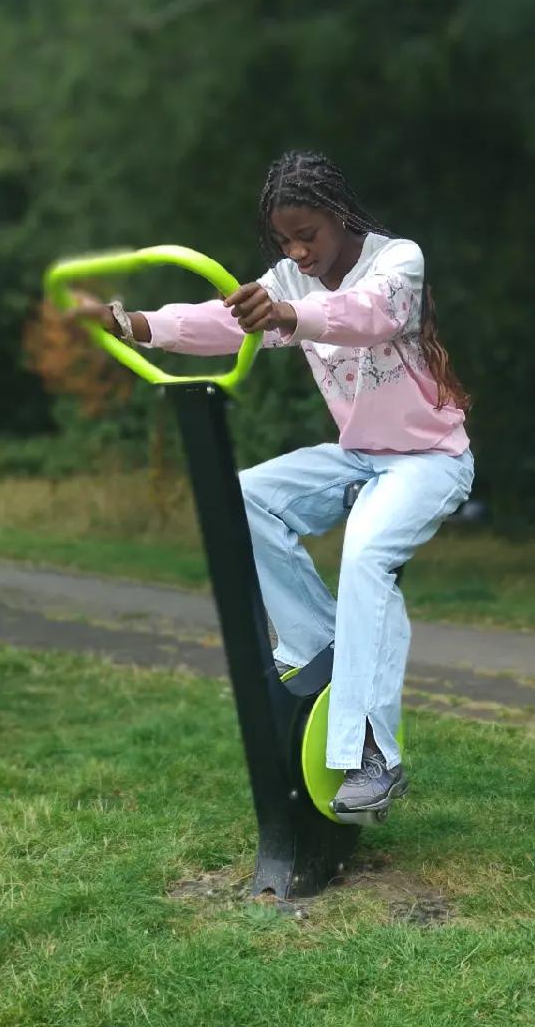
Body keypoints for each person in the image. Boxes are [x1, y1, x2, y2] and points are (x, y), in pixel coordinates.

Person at [63, 149, 474, 823]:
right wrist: (131, 324)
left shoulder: (398, 260)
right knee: (243, 495)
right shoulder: (289, 280)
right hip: (360, 455)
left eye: (306, 235)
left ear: (339, 215)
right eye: (284, 241)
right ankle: (321, 646)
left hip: (429, 458)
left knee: (366, 555)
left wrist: (286, 314)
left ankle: (374, 753)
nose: (297, 252)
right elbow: (224, 320)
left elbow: (367, 315)